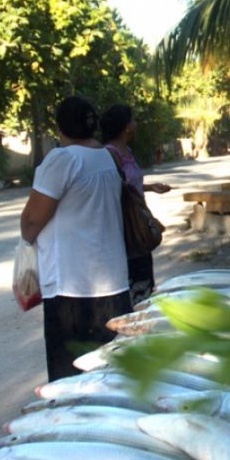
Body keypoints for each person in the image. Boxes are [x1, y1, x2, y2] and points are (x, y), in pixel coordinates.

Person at [20, 96, 131, 381]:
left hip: (73, 289)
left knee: (73, 379)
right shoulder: (107, 157)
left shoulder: (63, 159)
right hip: (113, 284)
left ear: (61, 127)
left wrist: (27, 237)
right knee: (113, 375)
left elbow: (32, 220)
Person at [99, 104, 171, 303]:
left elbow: (129, 186)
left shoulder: (127, 151)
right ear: (125, 127)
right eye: (133, 120)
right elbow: (116, 189)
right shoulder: (110, 153)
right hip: (125, 228)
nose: (136, 125)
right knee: (133, 282)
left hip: (137, 224)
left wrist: (149, 187)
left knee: (144, 278)